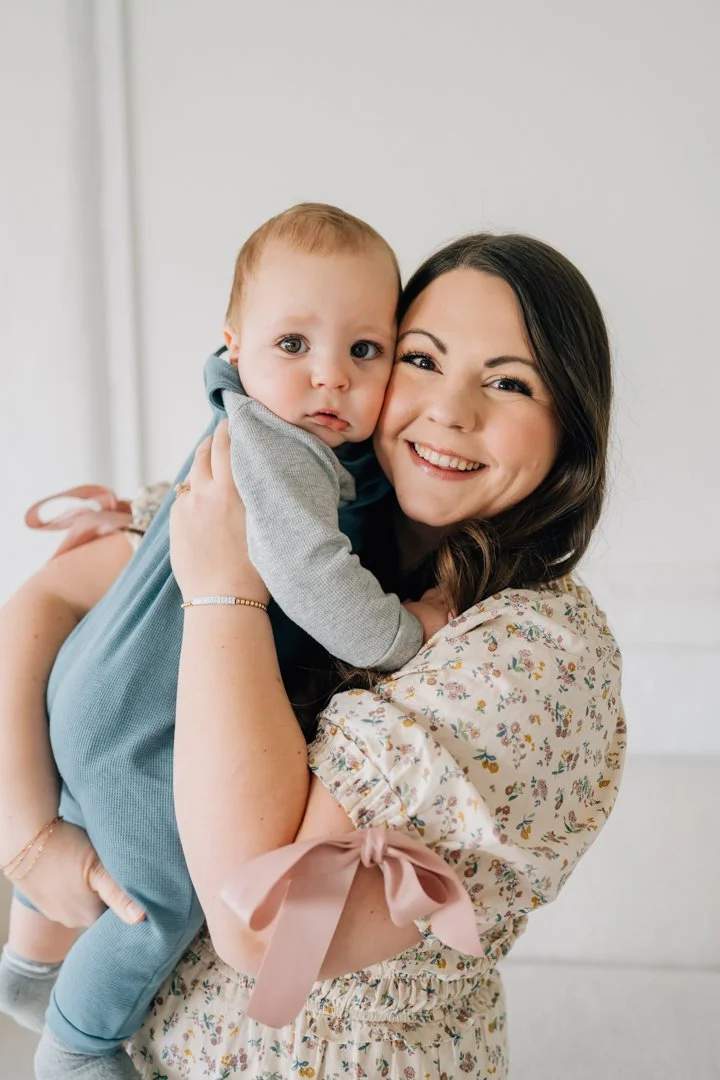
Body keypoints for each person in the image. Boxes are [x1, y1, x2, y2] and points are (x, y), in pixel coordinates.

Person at [122, 233, 626, 1078]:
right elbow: (51, 605)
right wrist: (31, 843)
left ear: (571, 425)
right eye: (422, 359)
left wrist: (225, 594)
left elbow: (269, 931)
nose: (451, 410)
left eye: (508, 381)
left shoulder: (534, 662)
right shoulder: (320, 519)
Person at [0, 204, 448, 1080]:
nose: (330, 378)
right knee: (157, 895)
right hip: (143, 722)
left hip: (106, 680)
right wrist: (405, 632)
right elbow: (317, 582)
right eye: (295, 346)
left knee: (94, 826)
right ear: (235, 346)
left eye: (365, 351)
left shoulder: (242, 412)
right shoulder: (280, 456)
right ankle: (75, 1045)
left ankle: (26, 965)